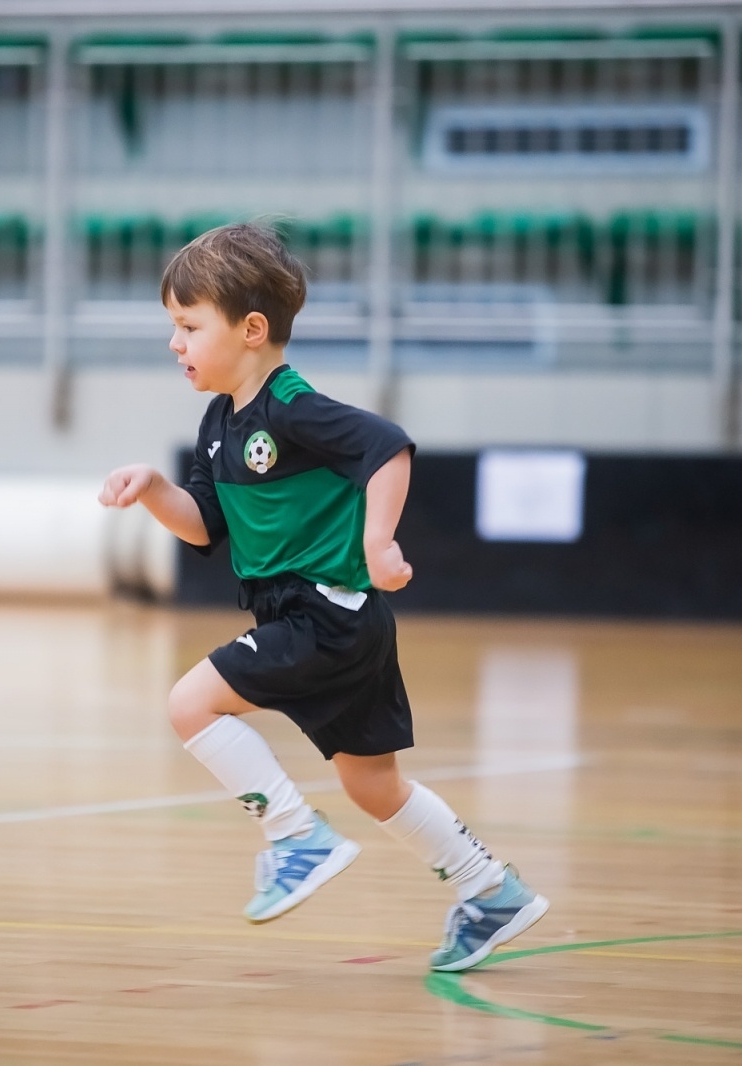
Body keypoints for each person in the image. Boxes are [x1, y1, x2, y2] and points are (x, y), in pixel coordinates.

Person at [98, 222, 547, 972]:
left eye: (187, 326)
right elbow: (205, 525)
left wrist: (378, 543)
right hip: (341, 622)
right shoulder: (218, 423)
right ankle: (491, 892)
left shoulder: (290, 405)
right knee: (373, 783)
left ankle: (296, 837)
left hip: (324, 614)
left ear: (250, 330)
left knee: (190, 704)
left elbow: (387, 446)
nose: (175, 343)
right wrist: (152, 490)